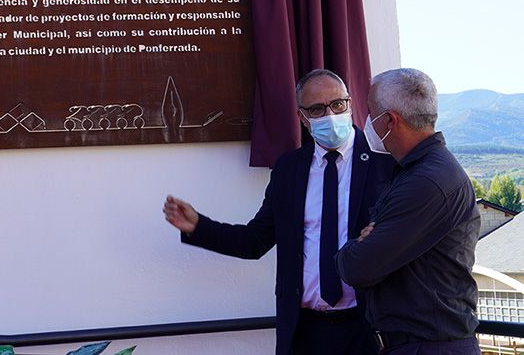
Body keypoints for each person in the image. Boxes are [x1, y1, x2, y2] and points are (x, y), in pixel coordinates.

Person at [164, 69, 392, 355]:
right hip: (305, 332)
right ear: (302, 118)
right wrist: (199, 226)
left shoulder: (385, 162)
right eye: (317, 109)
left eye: (337, 104)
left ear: (350, 103)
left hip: (369, 329)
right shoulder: (289, 169)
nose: (330, 115)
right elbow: (255, 241)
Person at [336, 68, 481, 354]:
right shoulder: (417, 172)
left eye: (370, 112)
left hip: (430, 347)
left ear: (390, 120)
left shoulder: (426, 181)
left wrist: (352, 249)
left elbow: (358, 268)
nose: (366, 122)